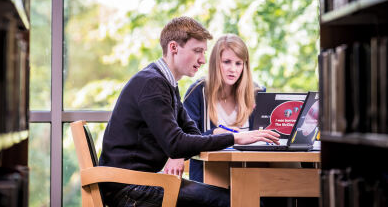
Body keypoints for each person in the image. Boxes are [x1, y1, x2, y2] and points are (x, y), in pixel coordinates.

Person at [98, 17, 280, 207]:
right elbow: (176, 145)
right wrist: (236, 138)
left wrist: (220, 135)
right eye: (197, 51)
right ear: (174, 48)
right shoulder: (152, 84)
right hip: (129, 188)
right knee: (231, 201)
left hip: (141, 182)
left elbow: (191, 135)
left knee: (233, 197)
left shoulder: (167, 83)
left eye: (203, 52)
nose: (202, 60)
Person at [174, 34, 265, 182]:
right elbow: (184, 141)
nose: (233, 69)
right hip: (210, 173)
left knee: (296, 171)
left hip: (251, 171)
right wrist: (215, 133)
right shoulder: (198, 92)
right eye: (227, 62)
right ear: (216, 63)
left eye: (238, 63)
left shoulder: (257, 93)